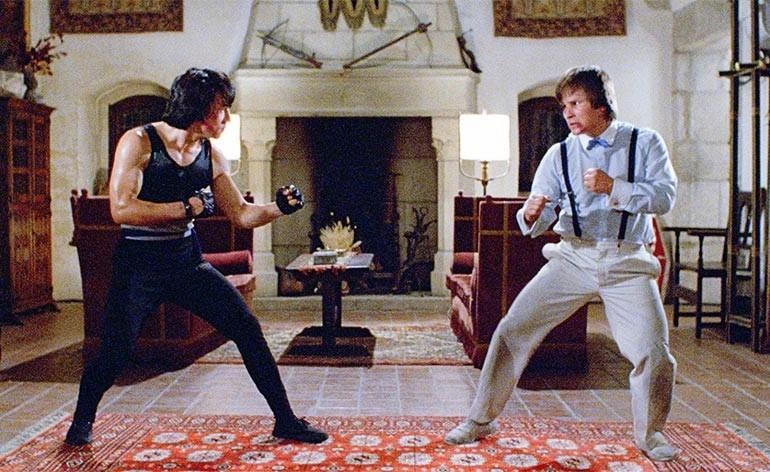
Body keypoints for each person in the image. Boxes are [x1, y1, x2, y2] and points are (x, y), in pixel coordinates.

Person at [65, 68, 327, 446]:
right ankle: (81, 421)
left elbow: (241, 214)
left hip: (186, 262)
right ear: (201, 108)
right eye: (222, 109)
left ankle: (285, 420)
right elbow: (121, 209)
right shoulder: (139, 142)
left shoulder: (210, 155)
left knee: (246, 328)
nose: (227, 118)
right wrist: (186, 208)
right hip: (138, 266)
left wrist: (279, 208)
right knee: (114, 353)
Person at [444, 65, 679, 462]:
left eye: (576, 103)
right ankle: (480, 419)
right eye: (564, 106)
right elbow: (538, 216)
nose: (567, 113)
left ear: (602, 104)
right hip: (572, 257)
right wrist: (532, 214)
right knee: (512, 330)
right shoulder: (559, 154)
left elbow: (665, 197)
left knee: (654, 351)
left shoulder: (645, 142)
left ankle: (650, 434)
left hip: (626, 260)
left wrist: (615, 188)